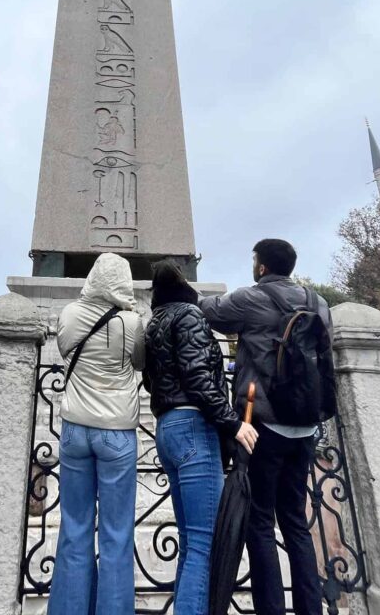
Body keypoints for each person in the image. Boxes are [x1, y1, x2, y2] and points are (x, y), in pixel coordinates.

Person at [200, 239, 335, 615]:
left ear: (261, 266)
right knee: (295, 520)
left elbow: (209, 311)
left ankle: (271, 609)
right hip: (306, 425)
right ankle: (311, 608)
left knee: (260, 520)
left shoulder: (252, 299)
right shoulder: (317, 303)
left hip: (262, 424)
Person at [144, 260, 259, 615]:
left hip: (167, 428)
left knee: (192, 541)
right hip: (194, 428)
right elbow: (198, 378)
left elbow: (151, 381)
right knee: (204, 542)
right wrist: (233, 423)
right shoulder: (190, 317)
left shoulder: (156, 321)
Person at [48, 253, 144, 615]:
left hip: (75, 428)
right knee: (117, 533)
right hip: (116, 431)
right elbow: (138, 362)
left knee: (74, 527)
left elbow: (64, 349)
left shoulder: (70, 314)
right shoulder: (132, 322)